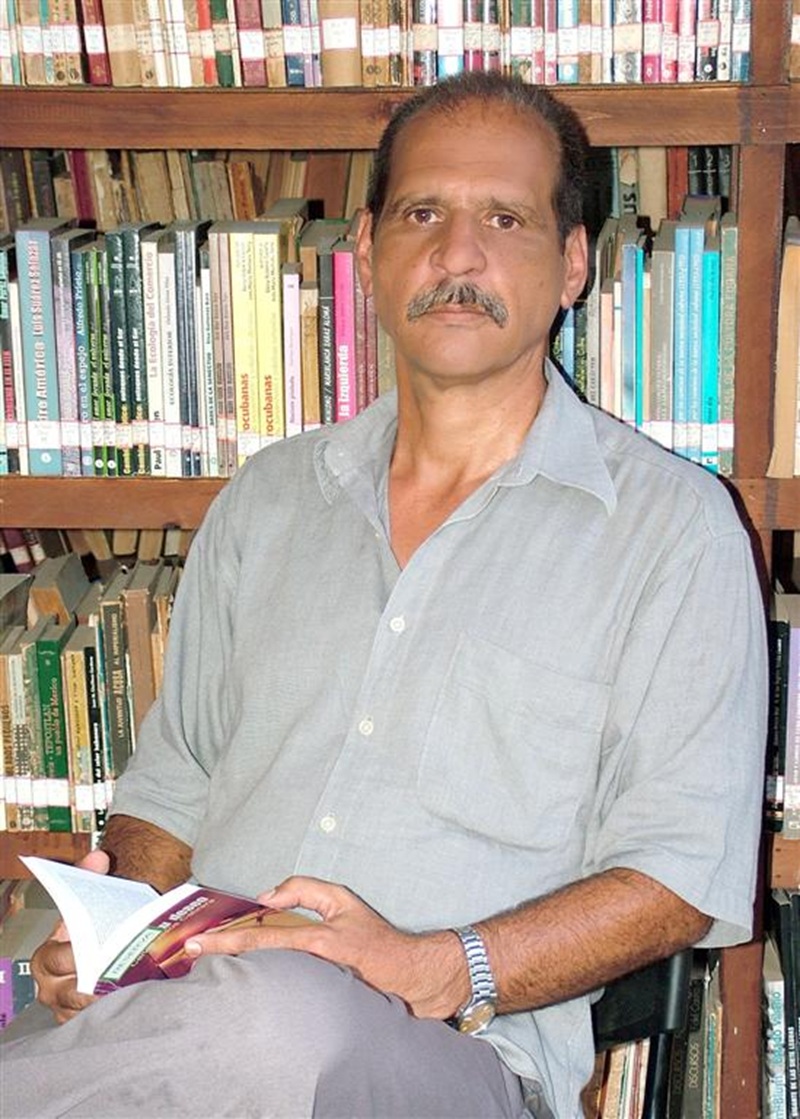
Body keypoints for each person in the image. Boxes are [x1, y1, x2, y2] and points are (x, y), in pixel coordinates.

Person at [2, 72, 767, 1119]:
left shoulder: (673, 533)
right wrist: (113, 937)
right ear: (367, 251)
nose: (457, 255)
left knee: (285, 1022)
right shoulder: (268, 498)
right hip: (192, 1012)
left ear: (573, 264)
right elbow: (173, 787)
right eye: (422, 214)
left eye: (504, 219)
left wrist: (437, 963)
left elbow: (677, 874)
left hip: (451, 1052)